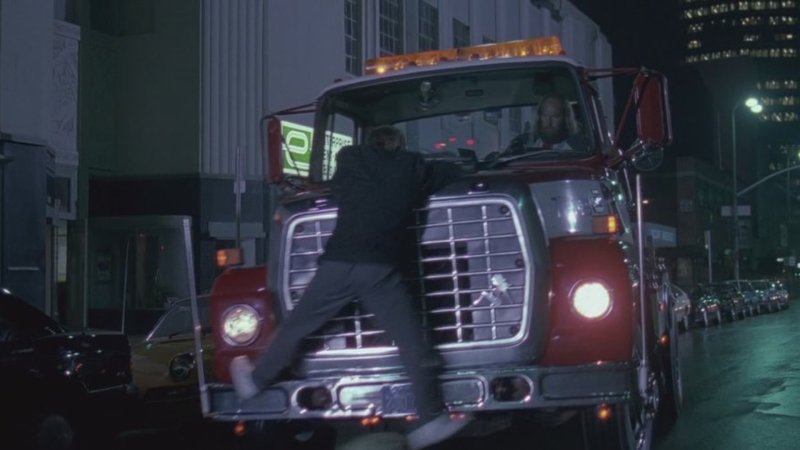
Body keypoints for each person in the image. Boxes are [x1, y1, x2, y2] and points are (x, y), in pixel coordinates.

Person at [229, 125, 469, 450]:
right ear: (399, 145)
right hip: (380, 269)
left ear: (368, 143)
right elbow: (449, 173)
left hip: (338, 263)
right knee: (412, 342)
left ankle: (255, 381)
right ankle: (429, 418)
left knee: (297, 325)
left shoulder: (350, 160)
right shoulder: (412, 167)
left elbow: (337, 186)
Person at [506, 93, 584, 154]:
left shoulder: (576, 149)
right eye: (545, 115)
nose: (549, 122)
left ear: (566, 119)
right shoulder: (524, 142)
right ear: (539, 116)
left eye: (555, 117)